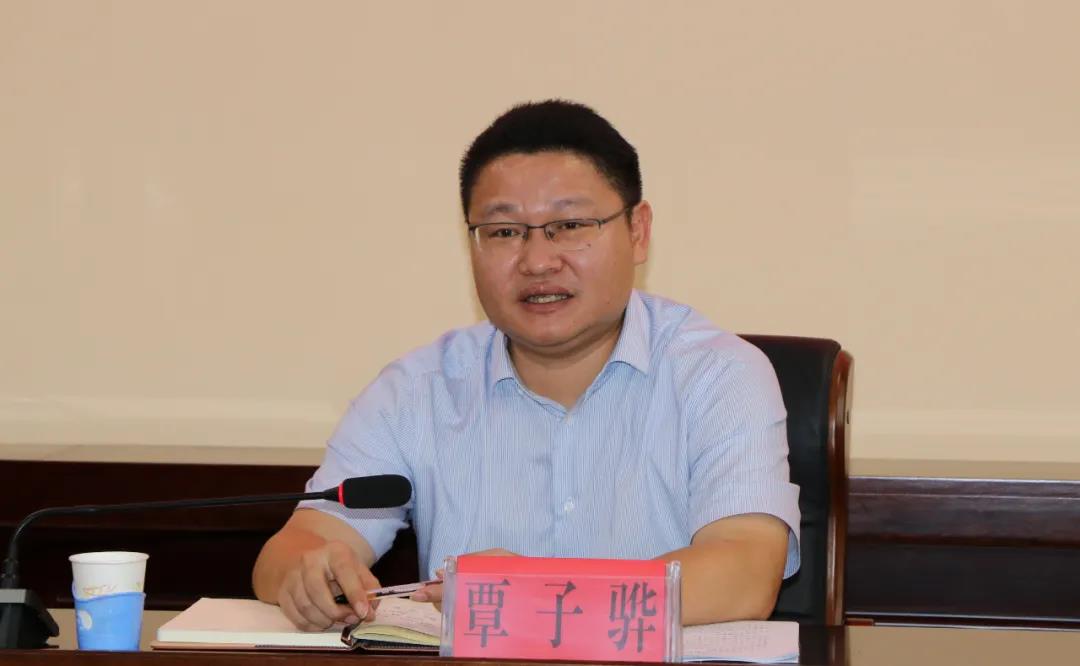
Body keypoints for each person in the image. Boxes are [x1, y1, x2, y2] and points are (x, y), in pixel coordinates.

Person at [252, 99, 800, 630]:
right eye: (504, 232)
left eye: (572, 225)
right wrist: (308, 574)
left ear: (638, 232)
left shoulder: (718, 375)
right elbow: (298, 546)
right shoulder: (416, 391)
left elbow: (744, 573)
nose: (538, 261)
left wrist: (536, 593)